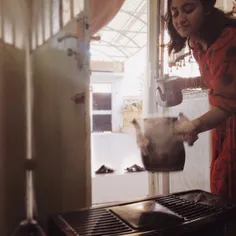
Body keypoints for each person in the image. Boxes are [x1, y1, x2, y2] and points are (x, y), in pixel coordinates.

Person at [161, 0, 236, 202]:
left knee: (228, 192)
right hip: (226, 126)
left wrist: (194, 125)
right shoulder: (196, 41)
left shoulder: (227, 40)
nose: (180, 19)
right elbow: (215, 79)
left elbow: (228, 102)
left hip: (230, 118)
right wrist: (183, 83)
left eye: (188, 10)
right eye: (175, 13)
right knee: (223, 188)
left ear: (207, 8)